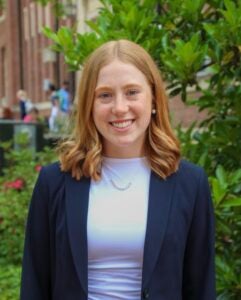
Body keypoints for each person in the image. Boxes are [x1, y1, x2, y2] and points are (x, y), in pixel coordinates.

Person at [20, 40, 216, 299]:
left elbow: (200, 287)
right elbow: (35, 282)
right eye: (104, 95)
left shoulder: (190, 183)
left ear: (154, 99)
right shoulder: (54, 181)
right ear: (89, 105)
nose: (120, 107)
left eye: (132, 92)